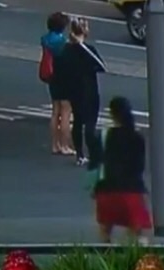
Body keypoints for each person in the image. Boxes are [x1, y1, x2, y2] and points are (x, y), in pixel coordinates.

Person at [87, 96, 152, 245]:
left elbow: (95, 163)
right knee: (137, 233)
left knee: (105, 231)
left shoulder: (104, 136)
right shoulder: (136, 137)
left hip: (106, 189)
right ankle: (137, 255)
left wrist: (92, 186)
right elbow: (139, 166)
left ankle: (107, 255)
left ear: (112, 114)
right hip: (132, 190)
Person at [57, 18, 106, 166]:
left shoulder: (66, 50)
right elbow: (101, 65)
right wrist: (82, 46)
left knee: (78, 121)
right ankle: (94, 153)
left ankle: (80, 154)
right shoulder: (88, 50)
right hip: (89, 90)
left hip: (74, 91)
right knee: (90, 124)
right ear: (84, 31)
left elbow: (60, 69)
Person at [40, 12, 73, 155]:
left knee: (55, 111)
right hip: (64, 77)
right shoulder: (63, 43)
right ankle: (65, 145)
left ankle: (55, 144)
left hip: (52, 77)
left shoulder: (45, 39)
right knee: (66, 112)